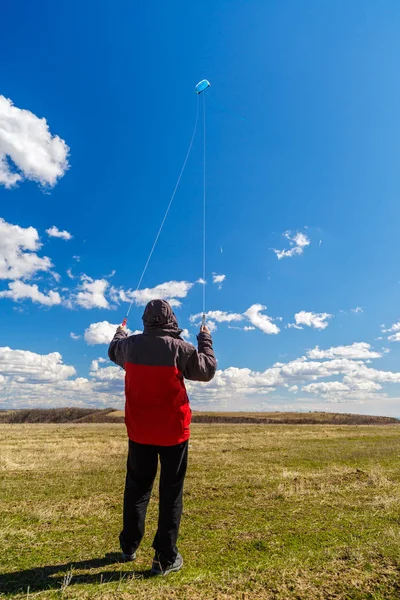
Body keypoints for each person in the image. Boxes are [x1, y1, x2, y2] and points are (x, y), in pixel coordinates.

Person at [108, 299, 216, 576]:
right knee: (171, 493)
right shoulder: (181, 348)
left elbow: (113, 350)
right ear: (172, 319)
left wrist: (120, 331)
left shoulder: (129, 346)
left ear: (145, 319)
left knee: (137, 489)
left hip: (140, 431)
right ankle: (164, 558)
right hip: (174, 433)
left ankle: (129, 547)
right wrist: (204, 337)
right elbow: (207, 370)